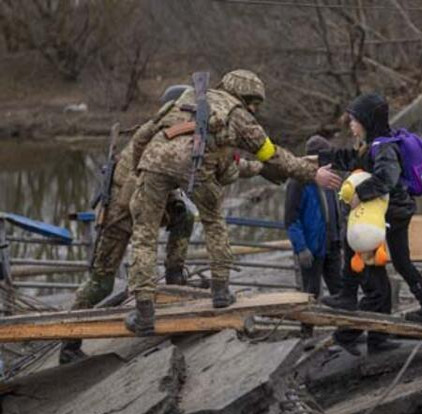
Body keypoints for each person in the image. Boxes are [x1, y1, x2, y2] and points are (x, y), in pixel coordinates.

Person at [125, 69, 316, 335]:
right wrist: (311, 172)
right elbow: (271, 154)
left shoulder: (185, 96)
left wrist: (139, 169)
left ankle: (145, 313)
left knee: (144, 236)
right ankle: (221, 292)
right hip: (197, 168)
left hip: (154, 161)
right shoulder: (237, 114)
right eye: (254, 102)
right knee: (214, 223)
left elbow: (142, 136)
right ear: (243, 96)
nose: (254, 108)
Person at [59, 88, 198, 364]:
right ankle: (69, 344)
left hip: (139, 206)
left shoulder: (165, 131)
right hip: (120, 215)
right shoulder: (157, 133)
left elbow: (161, 178)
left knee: (185, 217)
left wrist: (174, 199)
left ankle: (174, 279)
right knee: (101, 282)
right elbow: (150, 177)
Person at [317, 93, 422, 324]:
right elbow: (353, 159)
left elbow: (387, 177)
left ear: (367, 121)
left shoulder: (383, 148)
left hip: (393, 213)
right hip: (397, 211)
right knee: (402, 263)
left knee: (351, 240)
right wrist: (320, 158)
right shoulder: (374, 144)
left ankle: (348, 296)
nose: (351, 125)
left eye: (354, 120)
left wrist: (359, 194)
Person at [284, 134, 343, 336]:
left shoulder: (329, 177)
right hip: (311, 246)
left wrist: (340, 236)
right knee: (310, 292)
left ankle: (346, 331)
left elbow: (336, 208)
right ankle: (306, 332)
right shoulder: (298, 182)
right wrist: (300, 247)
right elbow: (291, 219)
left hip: (332, 244)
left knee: (340, 291)